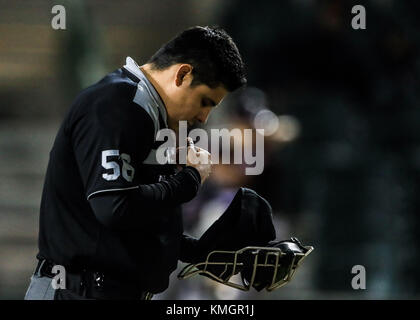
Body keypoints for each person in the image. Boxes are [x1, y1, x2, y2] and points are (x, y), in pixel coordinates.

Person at [24, 25, 246, 300]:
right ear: (183, 74)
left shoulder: (150, 113)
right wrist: (190, 178)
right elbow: (114, 206)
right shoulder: (116, 104)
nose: (203, 117)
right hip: (75, 290)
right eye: (205, 101)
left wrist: (200, 250)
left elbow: (133, 221)